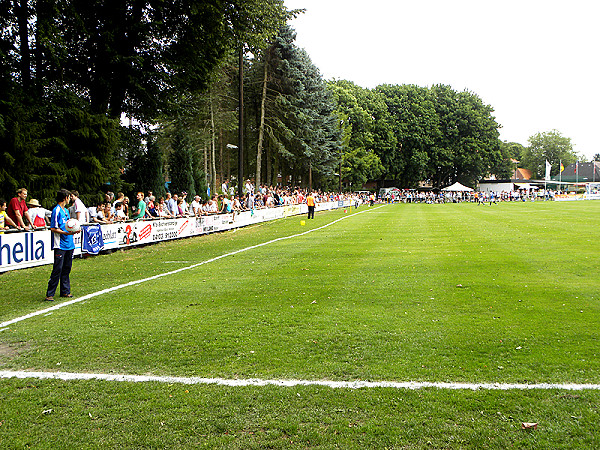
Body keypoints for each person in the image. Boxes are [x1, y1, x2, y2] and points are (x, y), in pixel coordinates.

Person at [45, 189, 80, 301]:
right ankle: (50, 293)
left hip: (69, 244)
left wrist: (74, 229)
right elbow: (53, 228)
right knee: (57, 269)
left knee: (66, 268)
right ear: (65, 198)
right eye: (68, 197)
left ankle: (65, 291)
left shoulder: (65, 211)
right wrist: (65, 232)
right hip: (60, 244)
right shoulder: (56, 210)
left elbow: (68, 225)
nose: (69, 199)